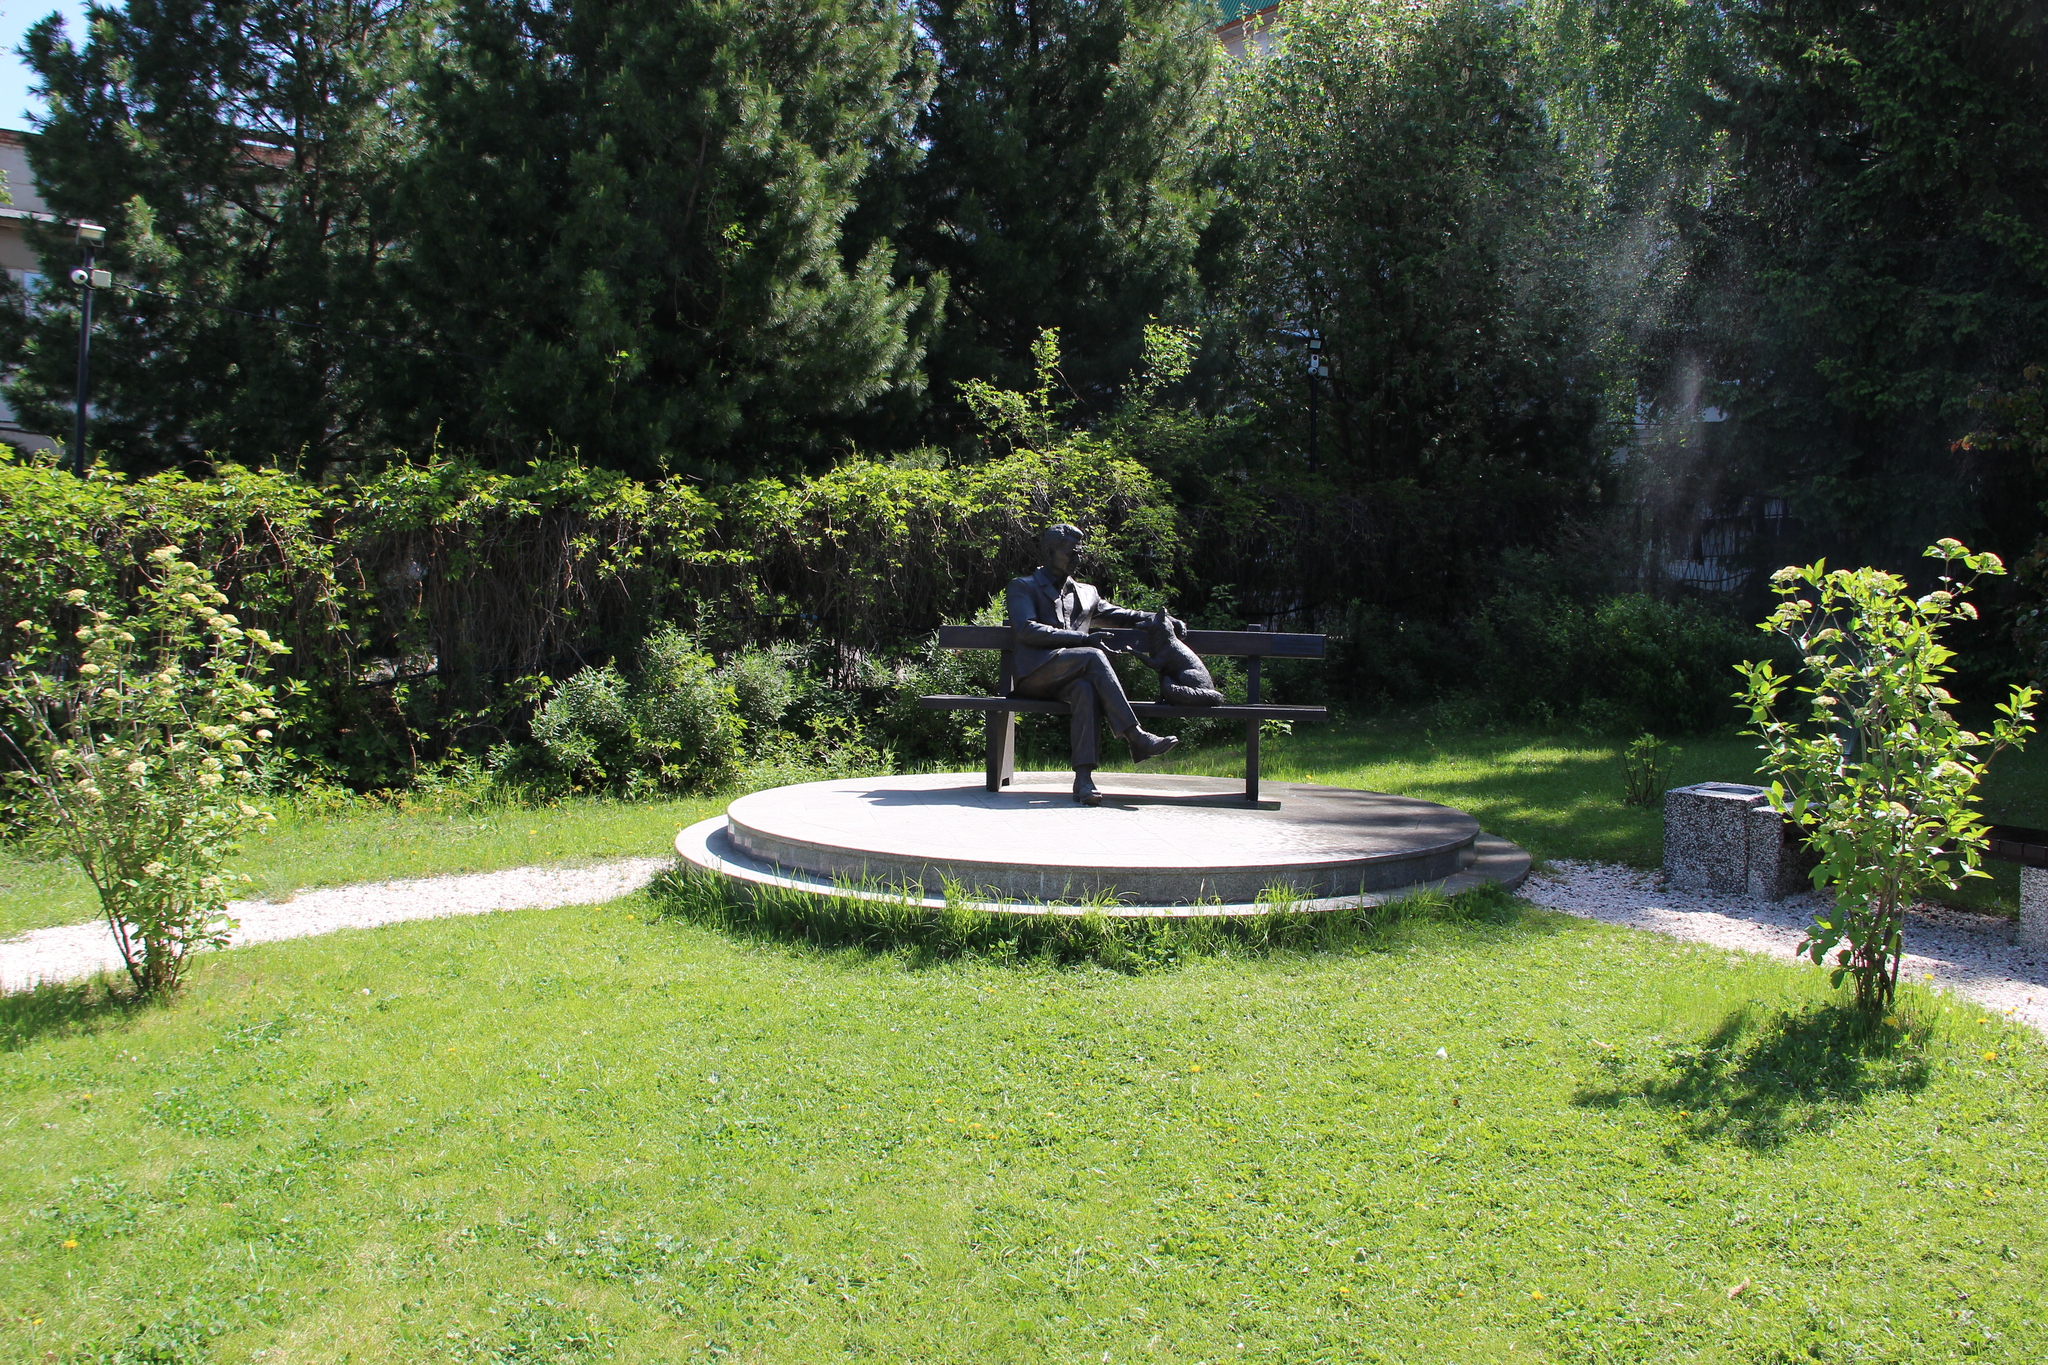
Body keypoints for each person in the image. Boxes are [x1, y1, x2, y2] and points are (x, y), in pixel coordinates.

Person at [1007, 524, 1179, 805]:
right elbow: (1027, 630)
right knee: (1092, 654)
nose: (1078, 557)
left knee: (1085, 689)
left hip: (1070, 678)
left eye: (1080, 551)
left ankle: (1084, 780)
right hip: (1036, 674)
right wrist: (1083, 638)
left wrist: (1163, 619)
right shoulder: (1023, 587)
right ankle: (1136, 737)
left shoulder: (1087, 593)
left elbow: (1124, 616)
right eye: (1071, 552)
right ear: (1051, 552)